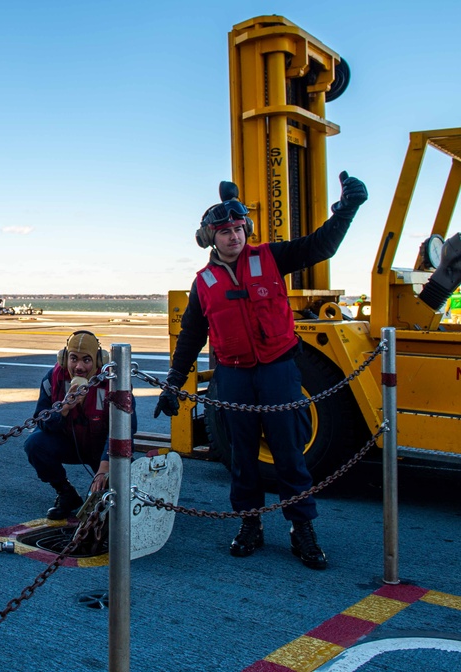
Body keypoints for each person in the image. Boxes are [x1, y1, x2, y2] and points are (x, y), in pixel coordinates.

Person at [153, 173, 368, 570]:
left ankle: (301, 528)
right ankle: (249, 524)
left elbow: (322, 245)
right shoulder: (204, 284)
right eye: (225, 231)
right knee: (242, 458)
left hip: (279, 372)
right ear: (209, 238)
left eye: (238, 229)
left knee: (289, 453)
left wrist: (348, 209)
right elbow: (191, 337)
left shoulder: (271, 257)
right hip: (232, 378)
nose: (234, 237)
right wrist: (172, 384)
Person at [24, 330, 135, 520]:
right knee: (34, 444)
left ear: (99, 361)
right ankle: (66, 494)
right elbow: (40, 420)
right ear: (64, 358)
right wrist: (64, 409)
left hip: (103, 448)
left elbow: (126, 429)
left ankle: (112, 494)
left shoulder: (113, 383)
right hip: (70, 443)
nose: (79, 367)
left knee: (117, 509)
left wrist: (104, 467)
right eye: (73, 359)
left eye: (87, 360)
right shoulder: (53, 380)